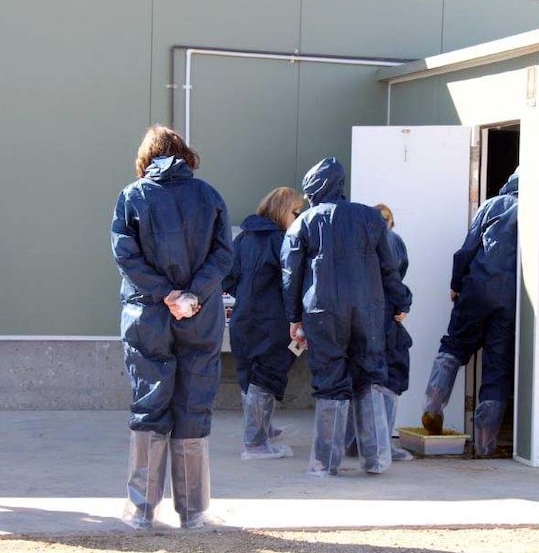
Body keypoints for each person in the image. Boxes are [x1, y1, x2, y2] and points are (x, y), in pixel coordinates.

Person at [111, 125, 232, 529]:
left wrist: (165, 293)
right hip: (200, 314)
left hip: (148, 313)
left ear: (146, 157)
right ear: (184, 153)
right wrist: (193, 294)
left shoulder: (133, 195)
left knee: (150, 402)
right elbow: (222, 254)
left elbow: (125, 254)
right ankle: (194, 512)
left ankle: (142, 510)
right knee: (193, 403)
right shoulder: (209, 195)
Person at [282, 157, 412, 476]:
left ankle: (326, 463)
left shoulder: (304, 223)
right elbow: (389, 268)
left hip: (322, 312)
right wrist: (401, 302)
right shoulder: (371, 218)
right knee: (370, 376)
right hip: (368, 312)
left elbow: (290, 274)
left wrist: (293, 317)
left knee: (330, 381)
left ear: (314, 189)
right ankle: (377, 459)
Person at [421, 169, 519, 457]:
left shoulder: (492, 205)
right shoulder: (538, 210)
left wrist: (455, 284)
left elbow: (467, 250)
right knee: (496, 369)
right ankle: (485, 446)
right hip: (512, 299)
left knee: (455, 346)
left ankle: (433, 408)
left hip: (477, 288)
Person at [224, 187, 304, 460]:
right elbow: (292, 283)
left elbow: (228, 279)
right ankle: (255, 443)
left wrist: (249, 295)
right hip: (273, 321)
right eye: (296, 212)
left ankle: (263, 430)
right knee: (265, 377)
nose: (299, 218)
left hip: (243, 318)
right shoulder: (283, 242)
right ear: (284, 211)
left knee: (251, 376)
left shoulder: (244, 239)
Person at [345, 203, 414, 462]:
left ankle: (354, 442)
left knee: (360, 376)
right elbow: (394, 276)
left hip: (356, 319)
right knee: (391, 375)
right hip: (384, 317)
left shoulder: (352, 246)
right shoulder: (392, 240)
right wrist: (403, 302)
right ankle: (381, 444)